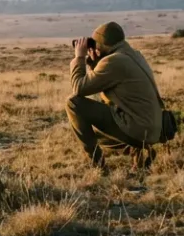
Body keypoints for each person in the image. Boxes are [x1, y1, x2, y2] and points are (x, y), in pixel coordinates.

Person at [66, 22, 162, 170]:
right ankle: (138, 151)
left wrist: (79, 58)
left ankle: (98, 165)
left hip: (139, 129)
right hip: (152, 129)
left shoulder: (114, 61)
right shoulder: (133, 55)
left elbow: (79, 88)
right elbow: (106, 86)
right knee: (96, 133)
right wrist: (95, 63)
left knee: (73, 103)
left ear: (104, 45)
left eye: (96, 44)